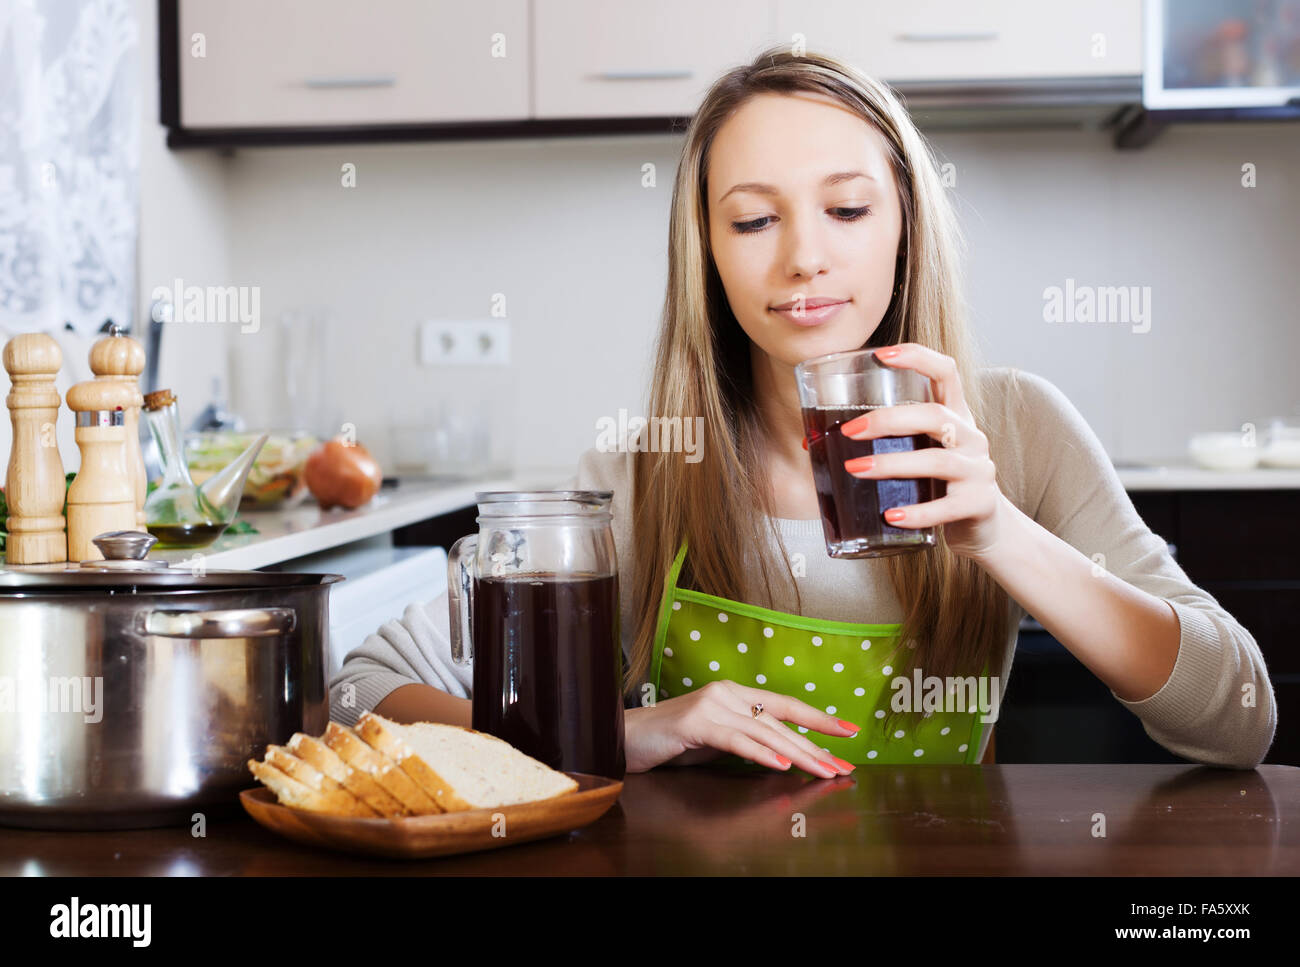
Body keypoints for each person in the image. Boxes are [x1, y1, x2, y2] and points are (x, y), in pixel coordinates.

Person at [330, 46, 1275, 775]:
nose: (804, 259)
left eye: (849, 211)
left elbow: (1239, 719)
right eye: (753, 219)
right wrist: (625, 733)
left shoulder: (1016, 427)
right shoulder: (643, 467)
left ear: (906, 224)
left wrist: (999, 533)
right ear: (706, 251)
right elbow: (358, 690)